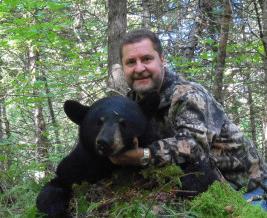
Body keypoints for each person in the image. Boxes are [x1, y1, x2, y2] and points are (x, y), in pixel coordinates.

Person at [109, 29, 267, 208]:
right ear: (123, 67)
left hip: (251, 189)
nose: (139, 68)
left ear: (161, 61)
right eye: (131, 62)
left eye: (146, 59)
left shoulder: (188, 95)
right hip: (204, 190)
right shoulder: (129, 105)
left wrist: (143, 155)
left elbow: (193, 148)